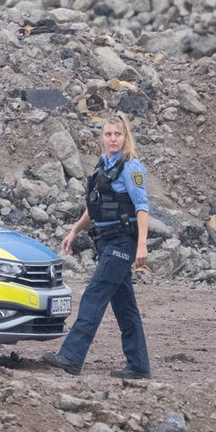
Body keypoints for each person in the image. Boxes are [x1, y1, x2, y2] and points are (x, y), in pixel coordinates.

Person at [43, 112, 151, 380]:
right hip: (105, 242)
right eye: (108, 134)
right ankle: (138, 366)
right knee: (125, 307)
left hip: (123, 243)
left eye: (117, 134)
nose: (113, 138)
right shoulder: (103, 166)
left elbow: (142, 208)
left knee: (94, 294)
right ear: (102, 138)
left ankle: (72, 356)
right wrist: (73, 231)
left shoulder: (131, 167)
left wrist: (141, 246)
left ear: (125, 137)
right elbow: (94, 209)